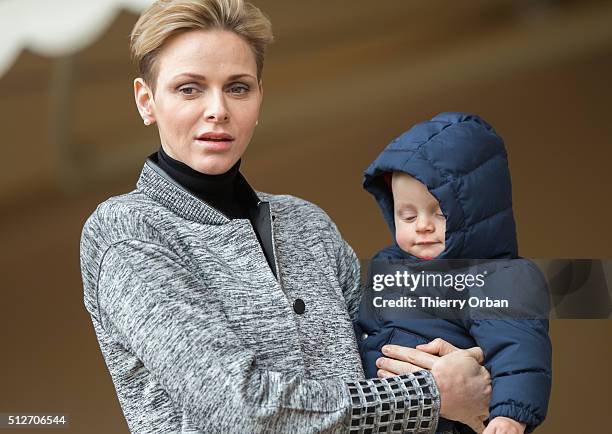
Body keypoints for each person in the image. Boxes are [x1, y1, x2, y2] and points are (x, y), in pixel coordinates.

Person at [79, 1, 491, 433]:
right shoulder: (127, 230)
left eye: (238, 87)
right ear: (147, 101)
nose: (218, 108)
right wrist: (431, 395)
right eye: (190, 88)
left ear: (259, 98)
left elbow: (388, 347)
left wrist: (465, 359)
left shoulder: (306, 223)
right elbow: (235, 408)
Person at [356, 113, 552, 434]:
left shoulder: (499, 277)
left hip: (446, 422)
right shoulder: (387, 265)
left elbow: (520, 352)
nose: (422, 225)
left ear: (476, 212)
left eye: (439, 212)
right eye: (407, 215)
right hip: (379, 413)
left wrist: (509, 417)